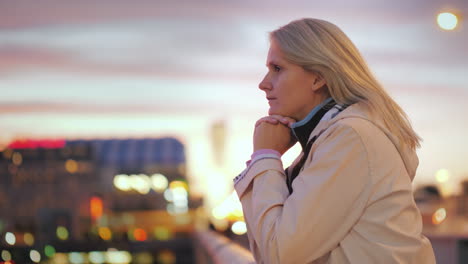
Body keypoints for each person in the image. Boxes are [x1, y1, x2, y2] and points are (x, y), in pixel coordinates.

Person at [233, 18, 436, 263]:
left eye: (277, 69)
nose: (263, 84)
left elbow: (279, 253)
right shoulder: (332, 137)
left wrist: (266, 157)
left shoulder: (349, 139)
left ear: (318, 78)